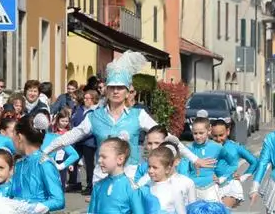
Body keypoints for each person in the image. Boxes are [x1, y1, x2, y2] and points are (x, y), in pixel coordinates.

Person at [43, 52, 211, 183]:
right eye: (112, 88)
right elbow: (70, 136)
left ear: (127, 91)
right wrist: (44, 152)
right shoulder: (94, 117)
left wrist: (194, 159)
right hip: (102, 176)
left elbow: (167, 137)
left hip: (130, 175)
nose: (116, 91)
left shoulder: (139, 115)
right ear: (106, 91)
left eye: (120, 88)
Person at [209, 119, 258, 214]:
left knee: (221, 212)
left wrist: (243, 177)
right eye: (215, 136)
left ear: (228, 132)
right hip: (215, 187)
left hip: (231, 186)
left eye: (221, 135)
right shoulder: (210, 148)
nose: (218, 139)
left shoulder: (235, 147)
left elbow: (254, 162)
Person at [71, 89, 99, 195]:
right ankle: (74, 183)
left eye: (88, 98)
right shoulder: (79, 109)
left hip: (89, 142)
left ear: (94, 99)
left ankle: (90, 186)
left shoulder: (96, 111)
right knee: (73, 160)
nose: (85, 100)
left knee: (89, 165)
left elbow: (94, 128)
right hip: (78, 140)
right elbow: (74, 121)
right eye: (85, 98)